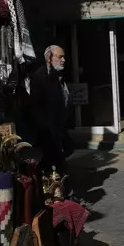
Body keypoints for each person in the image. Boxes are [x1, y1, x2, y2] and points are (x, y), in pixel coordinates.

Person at [30, 45, 73, 174]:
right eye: (60, 57)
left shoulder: (59, 75)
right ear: (49, 58)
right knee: (54, 161)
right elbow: (36, 105)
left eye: (64, 57)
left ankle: (57, 187)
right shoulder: (40, 76)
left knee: (61, 157)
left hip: (59, 128)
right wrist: (47, 129)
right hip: (49, 130)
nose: (64, 60)